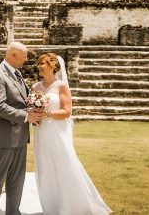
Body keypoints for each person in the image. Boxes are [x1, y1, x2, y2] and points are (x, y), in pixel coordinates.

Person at [32, 53, 112, 215]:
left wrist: (46, 113)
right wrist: (35, 115)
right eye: (39, 63)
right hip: (41, 132)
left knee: (64, 164)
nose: (39, 66)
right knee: (45, 166)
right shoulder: (35, 87)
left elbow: (66, 112)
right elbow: (32, 108)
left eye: (42, 63)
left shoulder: (61, 86)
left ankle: (70, 204)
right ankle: (51, 205)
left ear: (53, 66)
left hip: (57, 131)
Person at [0, 42, 44, 215]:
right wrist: (26, 116)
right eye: (23, 57)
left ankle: (13, 212)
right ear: (14, 55)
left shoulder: (17, 74)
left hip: (20, 136)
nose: (26, 60)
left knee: (17, 179)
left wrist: (33, 108)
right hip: (4, 137)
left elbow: (20, 101)